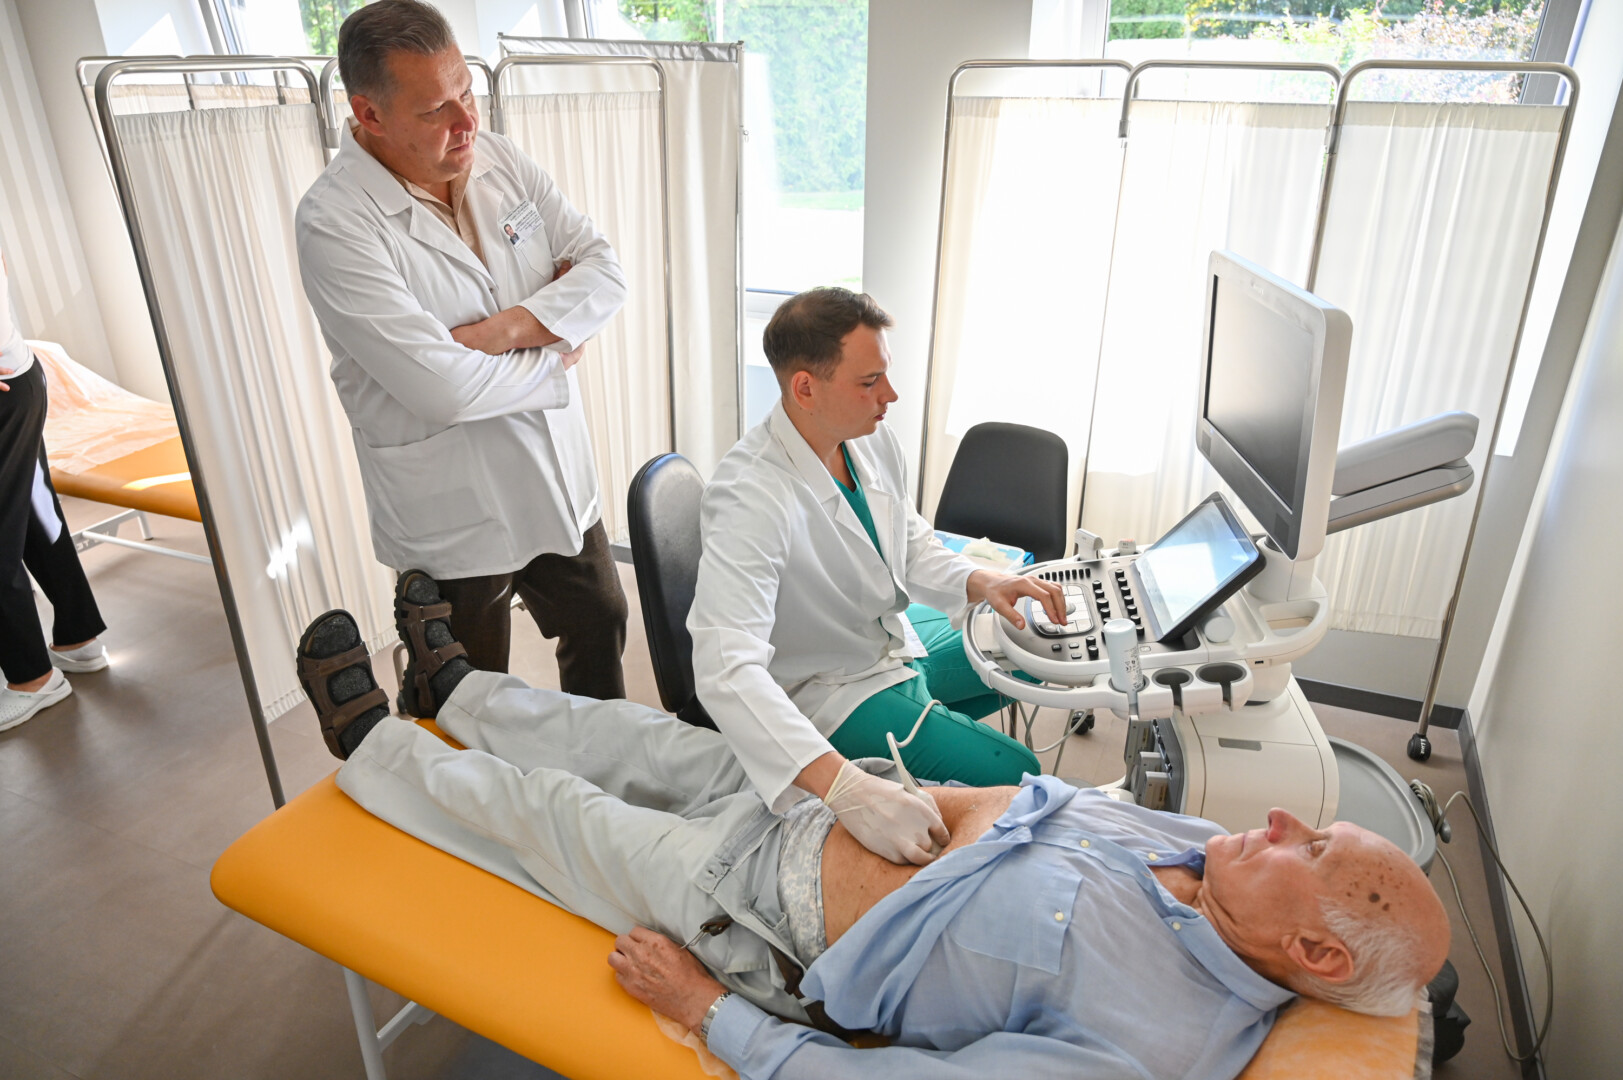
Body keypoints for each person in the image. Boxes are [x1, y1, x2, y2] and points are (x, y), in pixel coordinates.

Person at [296, 580, 1452, 1080]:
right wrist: (854, 787)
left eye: (1314, 852)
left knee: (557, 816)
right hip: (829, 796)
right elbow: (1031, 812)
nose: (1285, 820)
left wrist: (705, 1012)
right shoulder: (1200, 851)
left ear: (1317, 953)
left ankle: (375, 748)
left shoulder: (1151, 1046)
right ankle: (457, 694)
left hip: (758, 913)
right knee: (629, 737)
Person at [296, 0, 630, 705]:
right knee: (465, 692)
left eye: (467, 93)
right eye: (435, 110)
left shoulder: (498, 158)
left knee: (600, 621)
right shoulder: (335, 222)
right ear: (369, 114)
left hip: (554, 469)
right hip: (451, 502)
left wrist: (501, 333)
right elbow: (441, 389)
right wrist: (553, 349)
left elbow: (604, 272)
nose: (466, 121)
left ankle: (606, 763)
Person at [688, 287, 1066, 865]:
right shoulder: (750, 496)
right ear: (805, 388)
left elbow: (909, 542)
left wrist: (981, 582)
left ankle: (926, 740)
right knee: (1020, 773)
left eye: (885, 374)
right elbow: (725, 668)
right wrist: (843, 787)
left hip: (886, 643)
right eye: (870, 382)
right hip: (827, 689)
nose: (890, 395)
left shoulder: (869, 438)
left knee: (1035, 648)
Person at [0, 250, 109, 733]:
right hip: (19, 378)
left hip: (7, 390)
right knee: (34, 518)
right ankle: (78, 639)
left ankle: (33, 679)